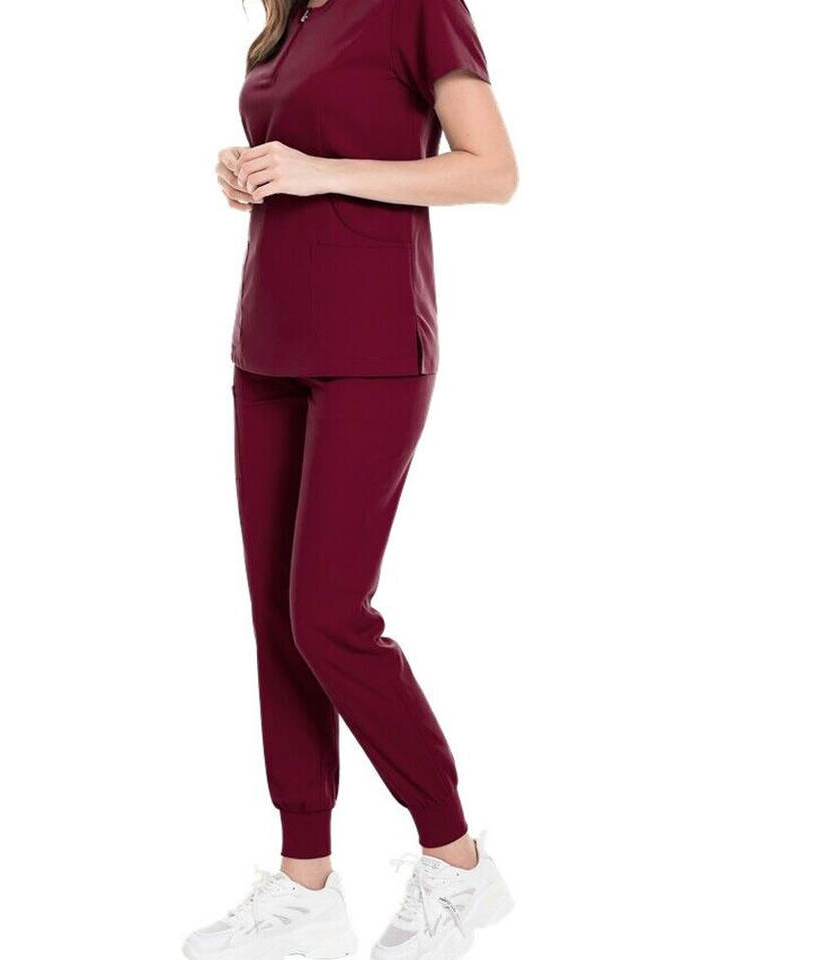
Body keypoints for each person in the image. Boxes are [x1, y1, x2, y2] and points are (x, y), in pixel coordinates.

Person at [185, 1, 518, 957]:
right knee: (277, 618)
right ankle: (305, 886)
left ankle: (457, 862)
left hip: (372, 343)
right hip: (267, 341)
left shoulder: (416, 6)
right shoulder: (290, 19)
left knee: (328, 615)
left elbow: (493, 170)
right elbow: (296, 158)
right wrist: (250, 173)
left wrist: (320, 169)